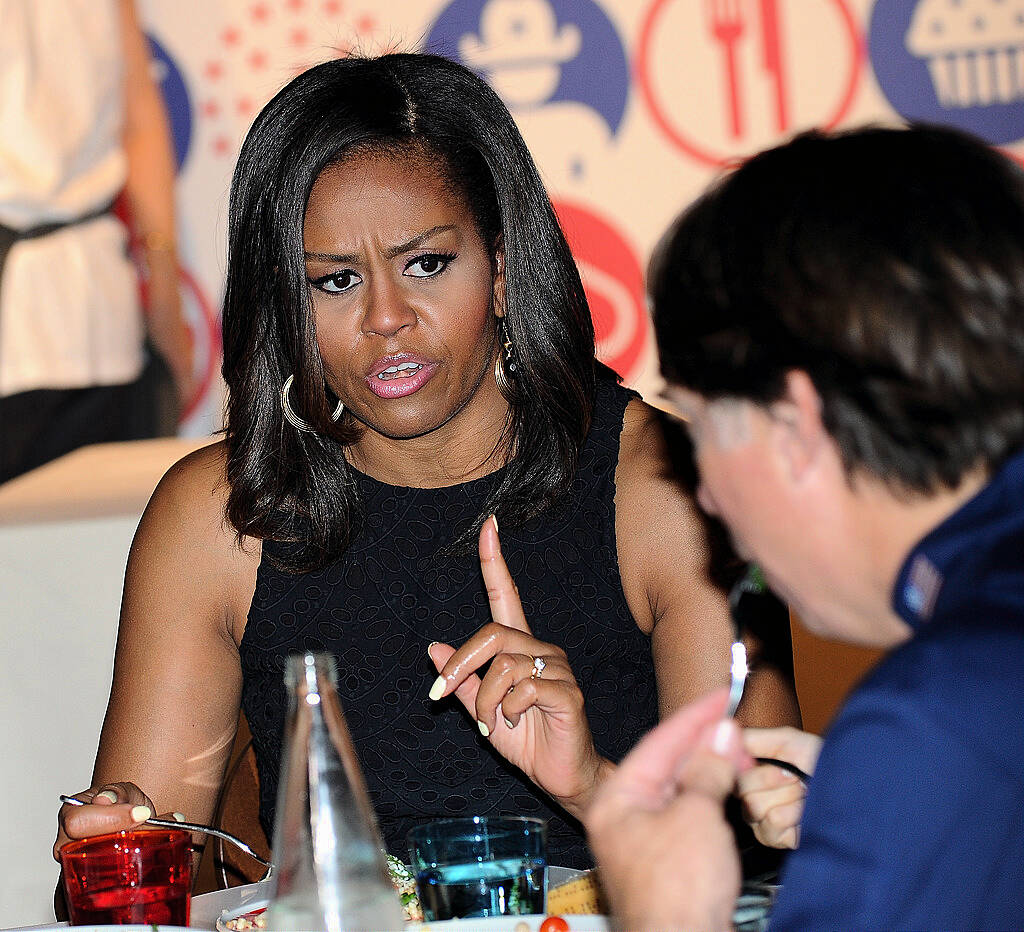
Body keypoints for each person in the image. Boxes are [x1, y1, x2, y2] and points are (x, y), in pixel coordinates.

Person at [53, 53, 797, 874]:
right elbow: (158, 874)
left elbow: (761, 861)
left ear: (506, 269)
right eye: (334, 281)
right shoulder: (219, 517)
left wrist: (590, 786)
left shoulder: (671, 489)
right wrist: (119, 854)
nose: (386, 319)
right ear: (285, 307)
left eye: (427, 265)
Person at [581, 124, 1024, 930]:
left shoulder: (928, 726)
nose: (706, 497)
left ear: (793, 425)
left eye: (705, 429)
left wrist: (663, 918)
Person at [0, 0, 195, 485]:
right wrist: (166, 305)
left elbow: (141, 120)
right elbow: (141, 120)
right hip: (90, 315)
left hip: (94, 314)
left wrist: (166, 306)